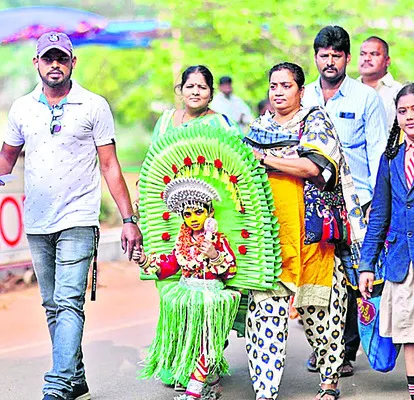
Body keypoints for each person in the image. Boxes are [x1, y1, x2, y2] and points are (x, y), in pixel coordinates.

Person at [0, 31, 142, 400]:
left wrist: (128, 220)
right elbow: (7, 158)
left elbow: (110, 166)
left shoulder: (93, 106)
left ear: (72, 62)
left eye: (61, 58)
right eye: (48, 59)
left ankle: (58, 386)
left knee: (68, 301)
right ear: (36, 63)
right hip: (37, 220)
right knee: (51, 304)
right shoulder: (21, 108)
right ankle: (75, 379)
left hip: (78, 217)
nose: (54, 65)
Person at [244, 62, 366, 400]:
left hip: (314, 239)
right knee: (264, 318)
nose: (278, 92)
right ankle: (264, 392)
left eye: (286, 85)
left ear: (300, 90)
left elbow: (314, 168)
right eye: (273, 86)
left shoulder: (314, 121)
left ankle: (329, 382)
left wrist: (265, 160)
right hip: (270, 241)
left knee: (322, 318)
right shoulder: (258, 128)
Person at [302, 25, 388, 377]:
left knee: (354, 277)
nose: (330, 61)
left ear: (348, 58)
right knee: (316, 274)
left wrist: (375, 206)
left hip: (356, 204)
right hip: (311, 203)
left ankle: (345, 351)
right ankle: (323, 345)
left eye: (337, 55)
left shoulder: (366, 98)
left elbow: (380, 153)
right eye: (324, 54)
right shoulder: (302, 96)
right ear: (316, 57)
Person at [134, 177, 241, 400]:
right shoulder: (181, 242)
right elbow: (169, 266)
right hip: (185, 296)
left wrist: (214, 254)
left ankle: (193, 393)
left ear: (209, 213)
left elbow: (229, 271)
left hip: (209, 296)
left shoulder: (217, 240)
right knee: (188, 339)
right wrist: (145, 259)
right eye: (188, 214)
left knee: (205, 341)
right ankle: (209, 380)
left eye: (198, 212)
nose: (193, 219)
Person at [359, 83, 414, 400]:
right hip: (400, 260)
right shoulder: (391, 158)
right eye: (403, 110)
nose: (409, 116)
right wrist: (367, 265)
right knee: (409, 333)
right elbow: (379, 213)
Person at [358, 36, 403, 130]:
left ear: (387, 60)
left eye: (374, 54)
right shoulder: (347, 90)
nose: (367, 58)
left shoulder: (399, 92)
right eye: (363, 54)